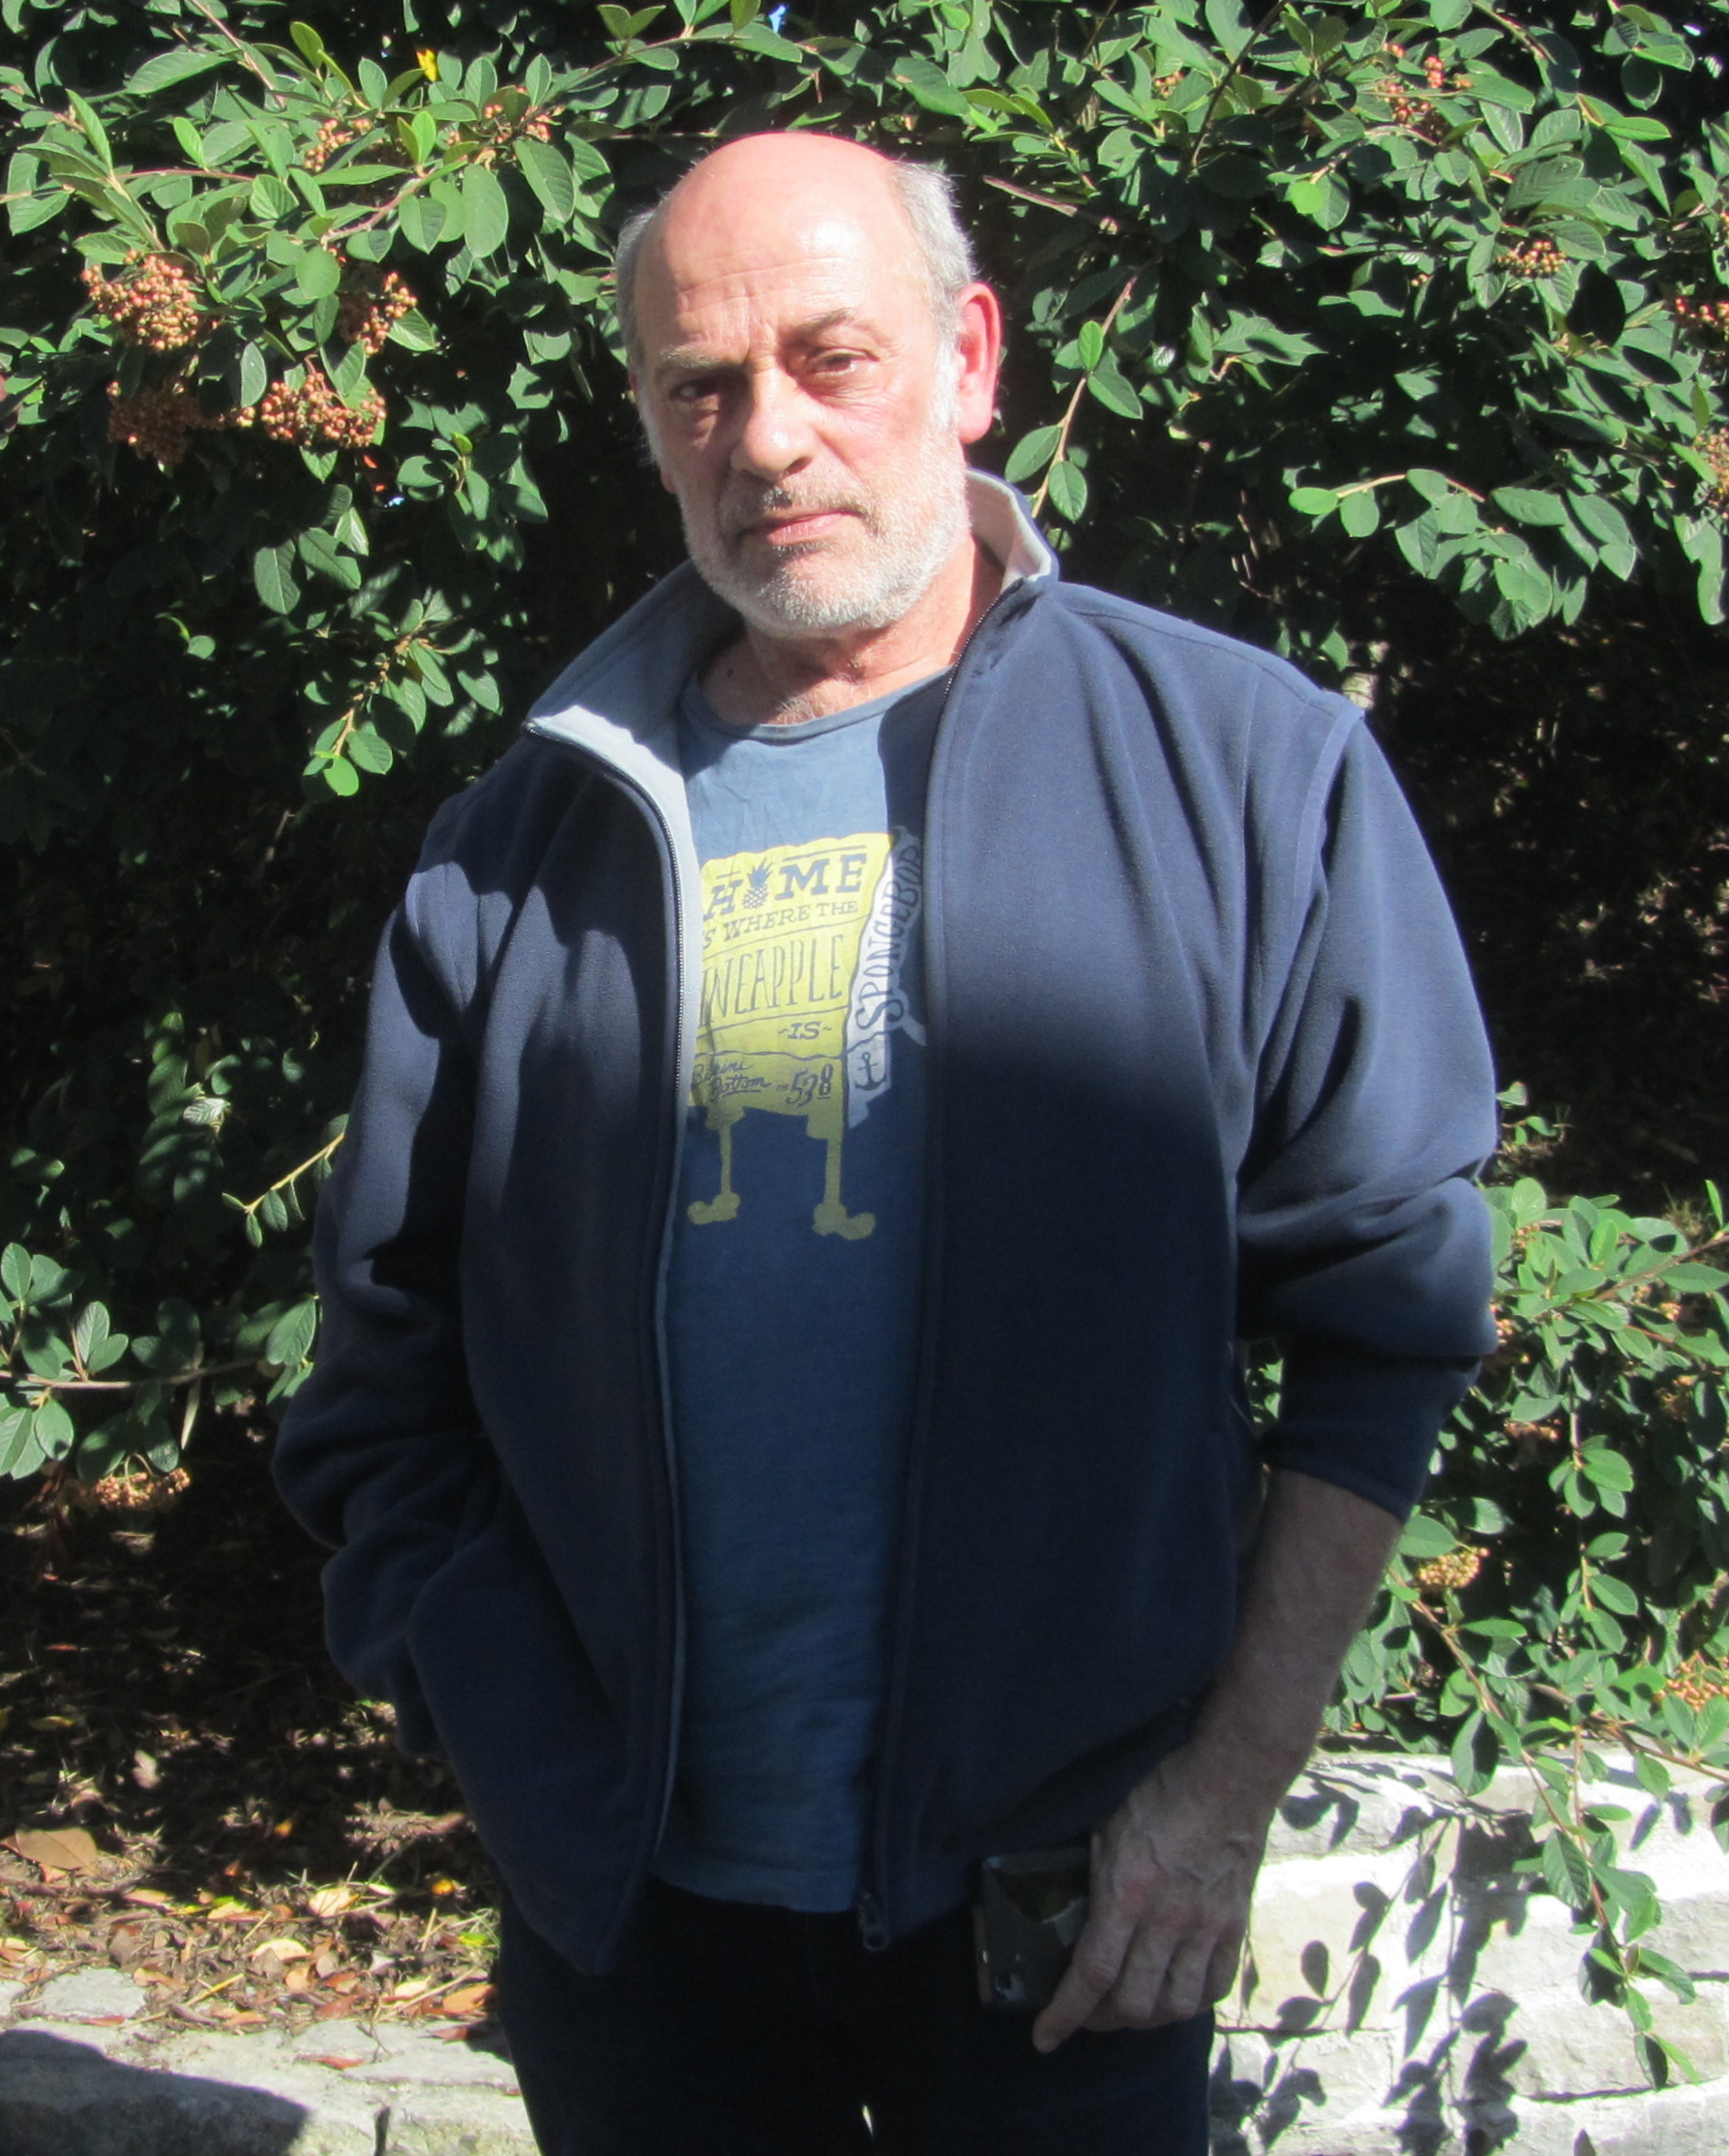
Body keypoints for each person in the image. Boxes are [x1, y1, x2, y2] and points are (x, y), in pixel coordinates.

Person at [272, 129, 1500, 2155]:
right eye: (700, 385)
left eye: (830, 357)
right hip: (637, 1936)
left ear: (971, 359)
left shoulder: (1243, 767)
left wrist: (1219, 1799)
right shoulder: (525, 843)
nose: (767, 437)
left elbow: (1390, 1317)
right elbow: (384, 1373)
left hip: (1067, 1908)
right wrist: (504, 1737)